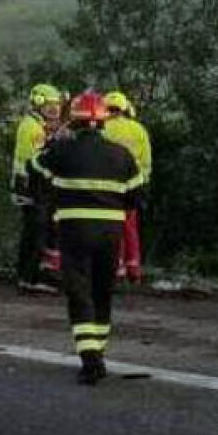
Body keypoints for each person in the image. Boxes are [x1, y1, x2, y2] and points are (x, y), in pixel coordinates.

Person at [29, 90, 143, 385]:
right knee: (102, 289)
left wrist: (55, 139)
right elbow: (136, 197)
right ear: (103, 122)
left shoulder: (62, 151)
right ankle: (99, 349)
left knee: (79, 290)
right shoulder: (121, 154)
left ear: (75, 123)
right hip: (111, 232)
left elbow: (35, 167)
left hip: (74, 229)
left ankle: (90, 359)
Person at [12, 83, 63, 295]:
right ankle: (30, 277)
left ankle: (29, 276)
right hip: (33, 189)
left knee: (35, 233)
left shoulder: (35, 125)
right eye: (51, 105)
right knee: (35, 234)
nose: (55, 110)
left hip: (32, 188)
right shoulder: (32, 128)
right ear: (39, 103)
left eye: (57, 105)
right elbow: (33, 161)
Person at [102, 91, 151, 282]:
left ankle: (118, 267)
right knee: (130, 228)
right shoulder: (138, 130)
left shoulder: (103, 129)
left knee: (113, 228)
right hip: (133, 186)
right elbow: (146, 161)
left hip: (108, 188)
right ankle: (134, 269)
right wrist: (141, 184)